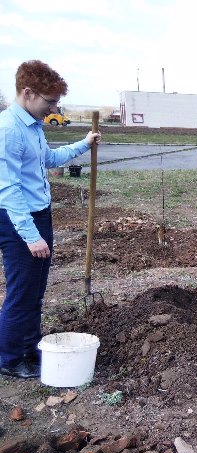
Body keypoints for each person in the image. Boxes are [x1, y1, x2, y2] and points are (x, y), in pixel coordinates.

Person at [0, 60, 101, 379]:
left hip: (39, 215)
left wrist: (83, 144)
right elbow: (8, 189)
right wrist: (30, 236)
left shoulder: (32, 126)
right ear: (27, 93)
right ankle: (9, 358)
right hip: (18, 221)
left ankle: (30, 349)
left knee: (36, 290)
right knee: (22, 291)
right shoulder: (9, 130)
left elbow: (49, 159)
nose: (54, 108)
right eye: (50, 102)